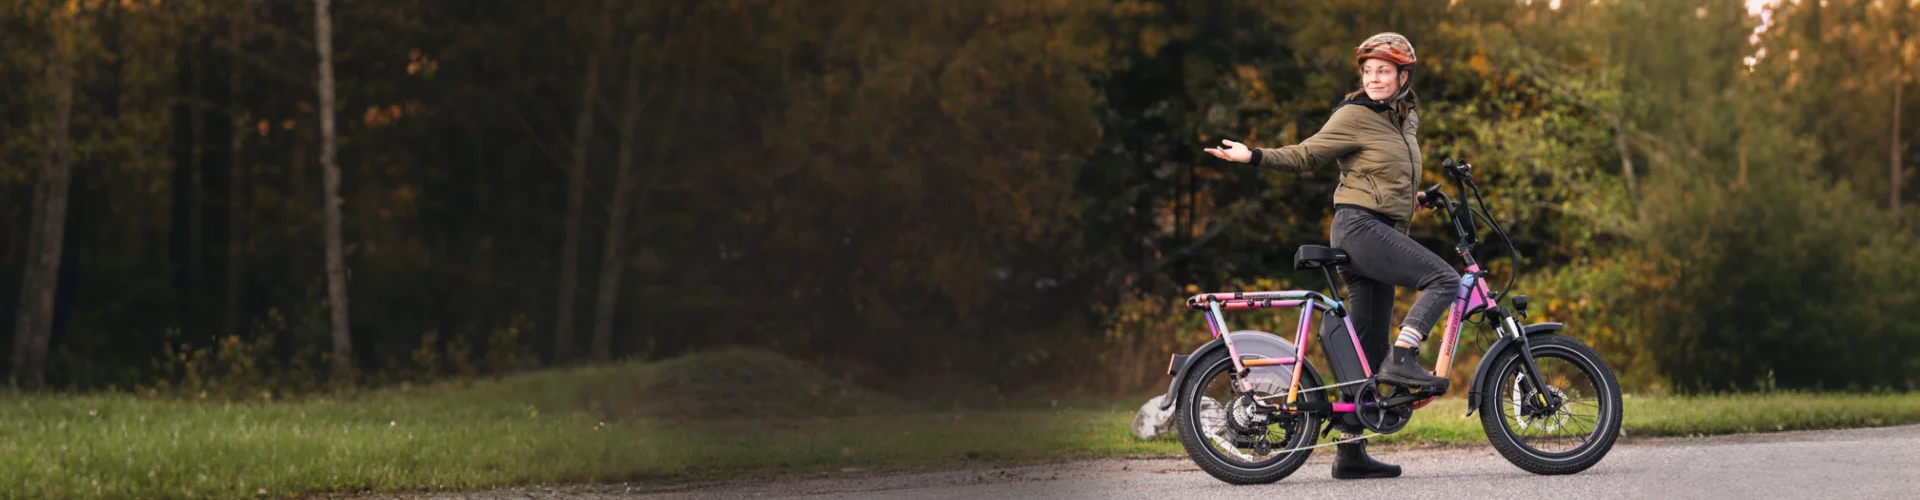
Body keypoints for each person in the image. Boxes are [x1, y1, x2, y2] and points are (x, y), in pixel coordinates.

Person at [1202, 32, 1457, 480]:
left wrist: (1412, 198)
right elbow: (1306, 155)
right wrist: (1253, 156)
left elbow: (1380, 172)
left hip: (1380, 227)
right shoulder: (1354, 114)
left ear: (1403, 77)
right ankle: (1405, 355)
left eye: (1384, 71)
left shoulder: (1404, 118)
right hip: (1360, 229)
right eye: (1368, 71)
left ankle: (1350, 453)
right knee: (1445, 280)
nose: (1374, 78)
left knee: (1367, 351)